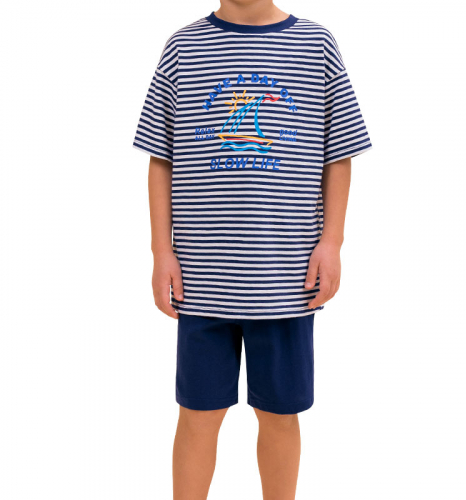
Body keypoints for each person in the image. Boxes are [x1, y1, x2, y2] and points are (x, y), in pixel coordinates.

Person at [133, 1, 371, 498]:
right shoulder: (183, 47)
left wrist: (332, 241)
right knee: (198, 414)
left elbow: (339, 153)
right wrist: (161, 251)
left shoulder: (316, 45)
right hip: (202, 282)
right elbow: (161, 158)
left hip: (286, 282)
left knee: (280, 415)